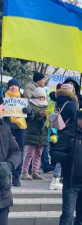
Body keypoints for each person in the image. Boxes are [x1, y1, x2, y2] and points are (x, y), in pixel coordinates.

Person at [4, 78, 34, 186]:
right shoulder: (3, 100)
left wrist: (29, 113)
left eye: (15, 85)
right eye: (11, 85)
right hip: (5, 129)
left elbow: (31, 118)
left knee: (19, 151)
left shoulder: (23, 100)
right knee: (4, 152)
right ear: (8, 87)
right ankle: (6, 175)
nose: (13, 87)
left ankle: (16, 176)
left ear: (19, 87)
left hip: (20, 129)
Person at [0, 95, 21, 225]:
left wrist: (8, 165)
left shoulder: (4, 126)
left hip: (3, 192)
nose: (3, 108)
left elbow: (16, 151)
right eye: (0, 105)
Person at [20, 87, 48, 181]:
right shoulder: (30, 104)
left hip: (42, 132)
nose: (41, 99)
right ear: (35, 96)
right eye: (39, 97)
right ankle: (24, 172)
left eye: (42, 97)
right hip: (32, 132)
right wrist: (38, 114)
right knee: (29, 153)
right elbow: (28, 117)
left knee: (38, 154)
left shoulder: (47, 105)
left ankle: (35, 171)